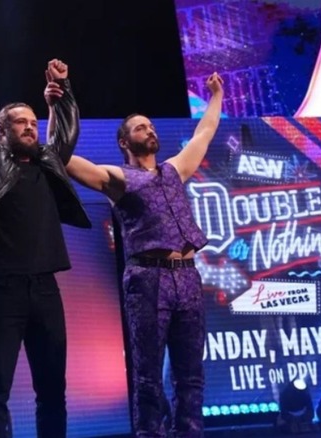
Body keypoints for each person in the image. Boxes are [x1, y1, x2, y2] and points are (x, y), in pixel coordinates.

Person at [65, 73, 224, 437]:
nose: (149, 131)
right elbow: (68, 162)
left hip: (186, 276)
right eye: (140, 128)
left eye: (151, 126)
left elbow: (205, 132)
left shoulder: (174, 170)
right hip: (148, 278)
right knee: (148, 376)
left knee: (191, 375)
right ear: (125, 141)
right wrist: (58, 112)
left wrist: (216, 95)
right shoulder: (116, 177)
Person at [0, 56, 91, 438]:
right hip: (4, 290)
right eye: (21, 122)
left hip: (46, 291)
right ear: (2, 130)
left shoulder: (48, 162)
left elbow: (65, 134)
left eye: (35, 122)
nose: (31, 128)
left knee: (52, 392)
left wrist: (63, 90)